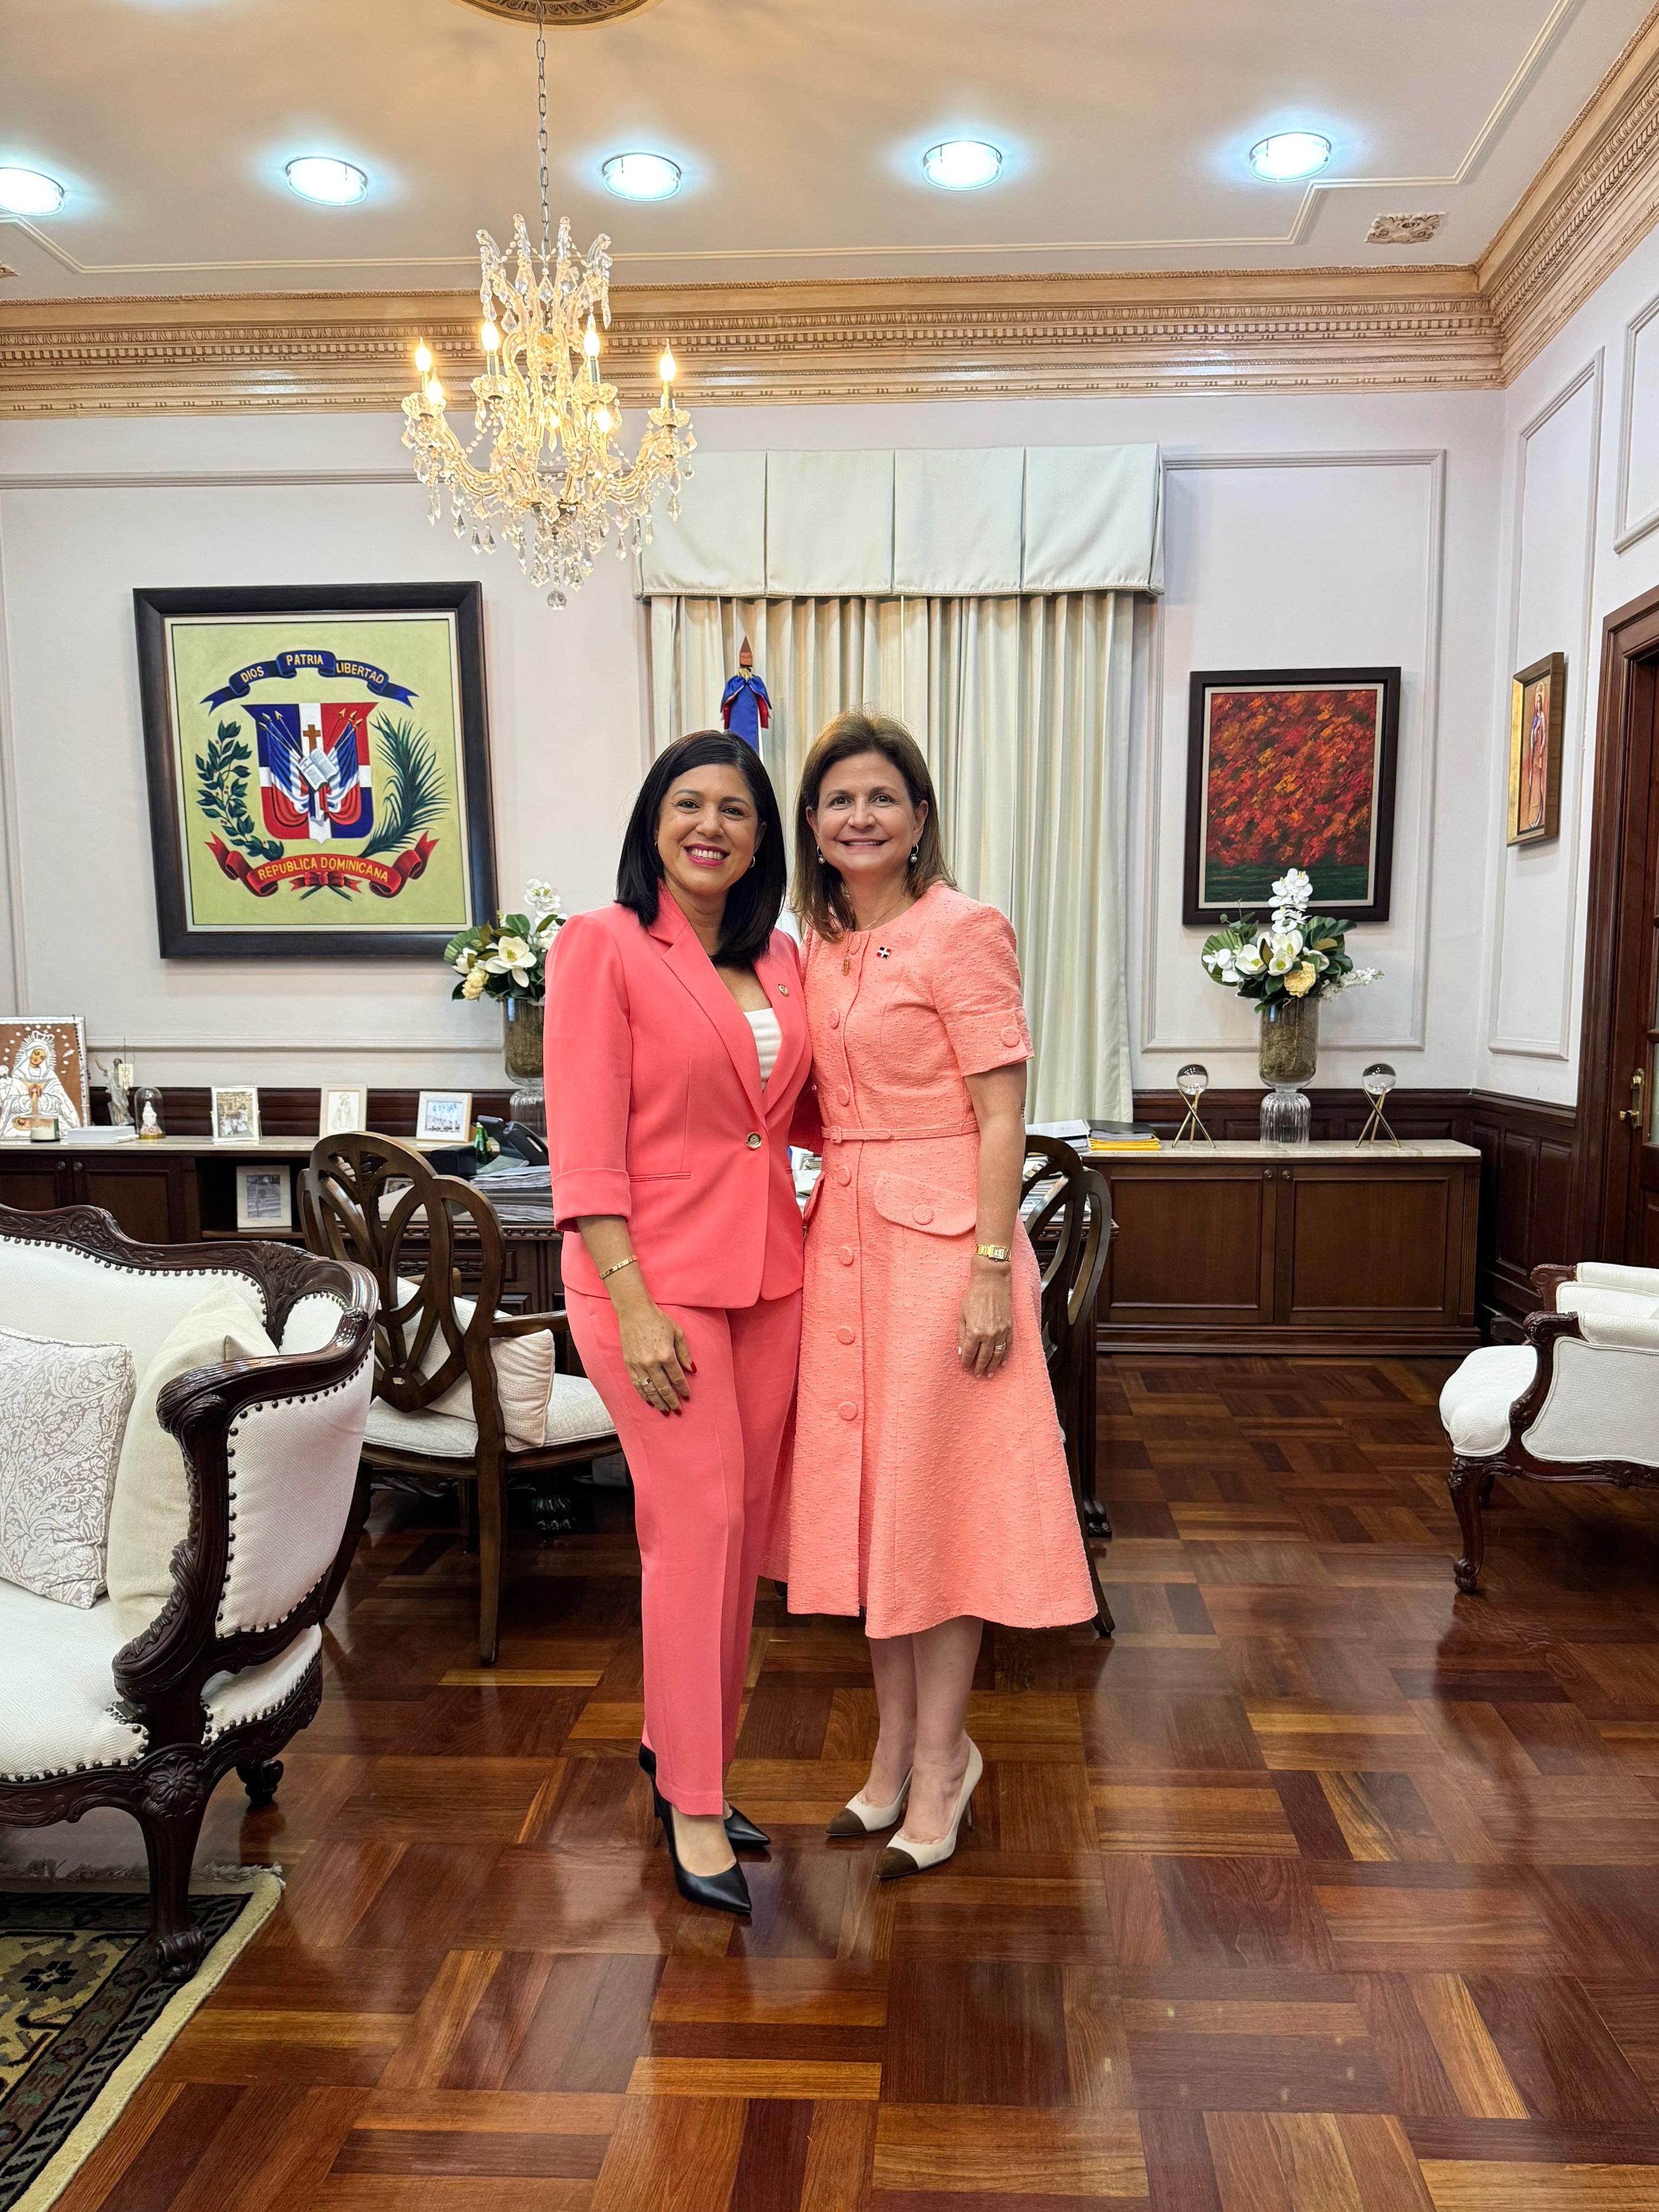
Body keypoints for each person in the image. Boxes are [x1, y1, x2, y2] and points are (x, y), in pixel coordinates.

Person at [784, 711, 1096, 1879]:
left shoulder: (963, 928)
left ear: (918, 818)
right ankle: (896, 1753)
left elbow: (1003, 1113)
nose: (859, 816)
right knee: (873, 1510)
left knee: (935, 1510)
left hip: (943, 1250)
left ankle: (939, 1765)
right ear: (812, 825)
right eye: (838, 799)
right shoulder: (812, 944)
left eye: (881, 797)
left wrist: (987, 1268)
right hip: (842, 1245)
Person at [545, 730, 815, 1918]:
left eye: (736, 810)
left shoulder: (783, 956)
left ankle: (679, 1753)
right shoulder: (601, 944)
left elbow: (792, 1116)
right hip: (648, 1287)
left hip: (769, 1277)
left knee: (735, 1534)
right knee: (694, 1530)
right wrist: (631, 1300)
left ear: (761, 839)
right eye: (689, 804)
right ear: (654, 822)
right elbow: (583, 1140)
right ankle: (695, 1805)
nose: (712, 825)